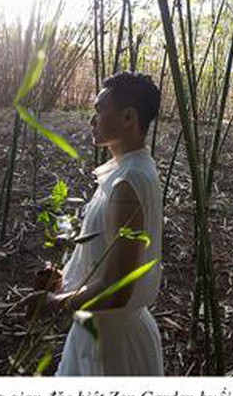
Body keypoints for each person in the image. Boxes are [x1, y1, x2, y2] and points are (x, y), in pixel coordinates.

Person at [22, 72, 164, 375]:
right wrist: (69, 278)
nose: (92, 120)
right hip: (99, 331)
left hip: (114, 349)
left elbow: (118, 288)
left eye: (100, 110)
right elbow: (108, 262)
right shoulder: (127, 171)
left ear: (128, 117)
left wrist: (53, 303)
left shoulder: (129, 180)